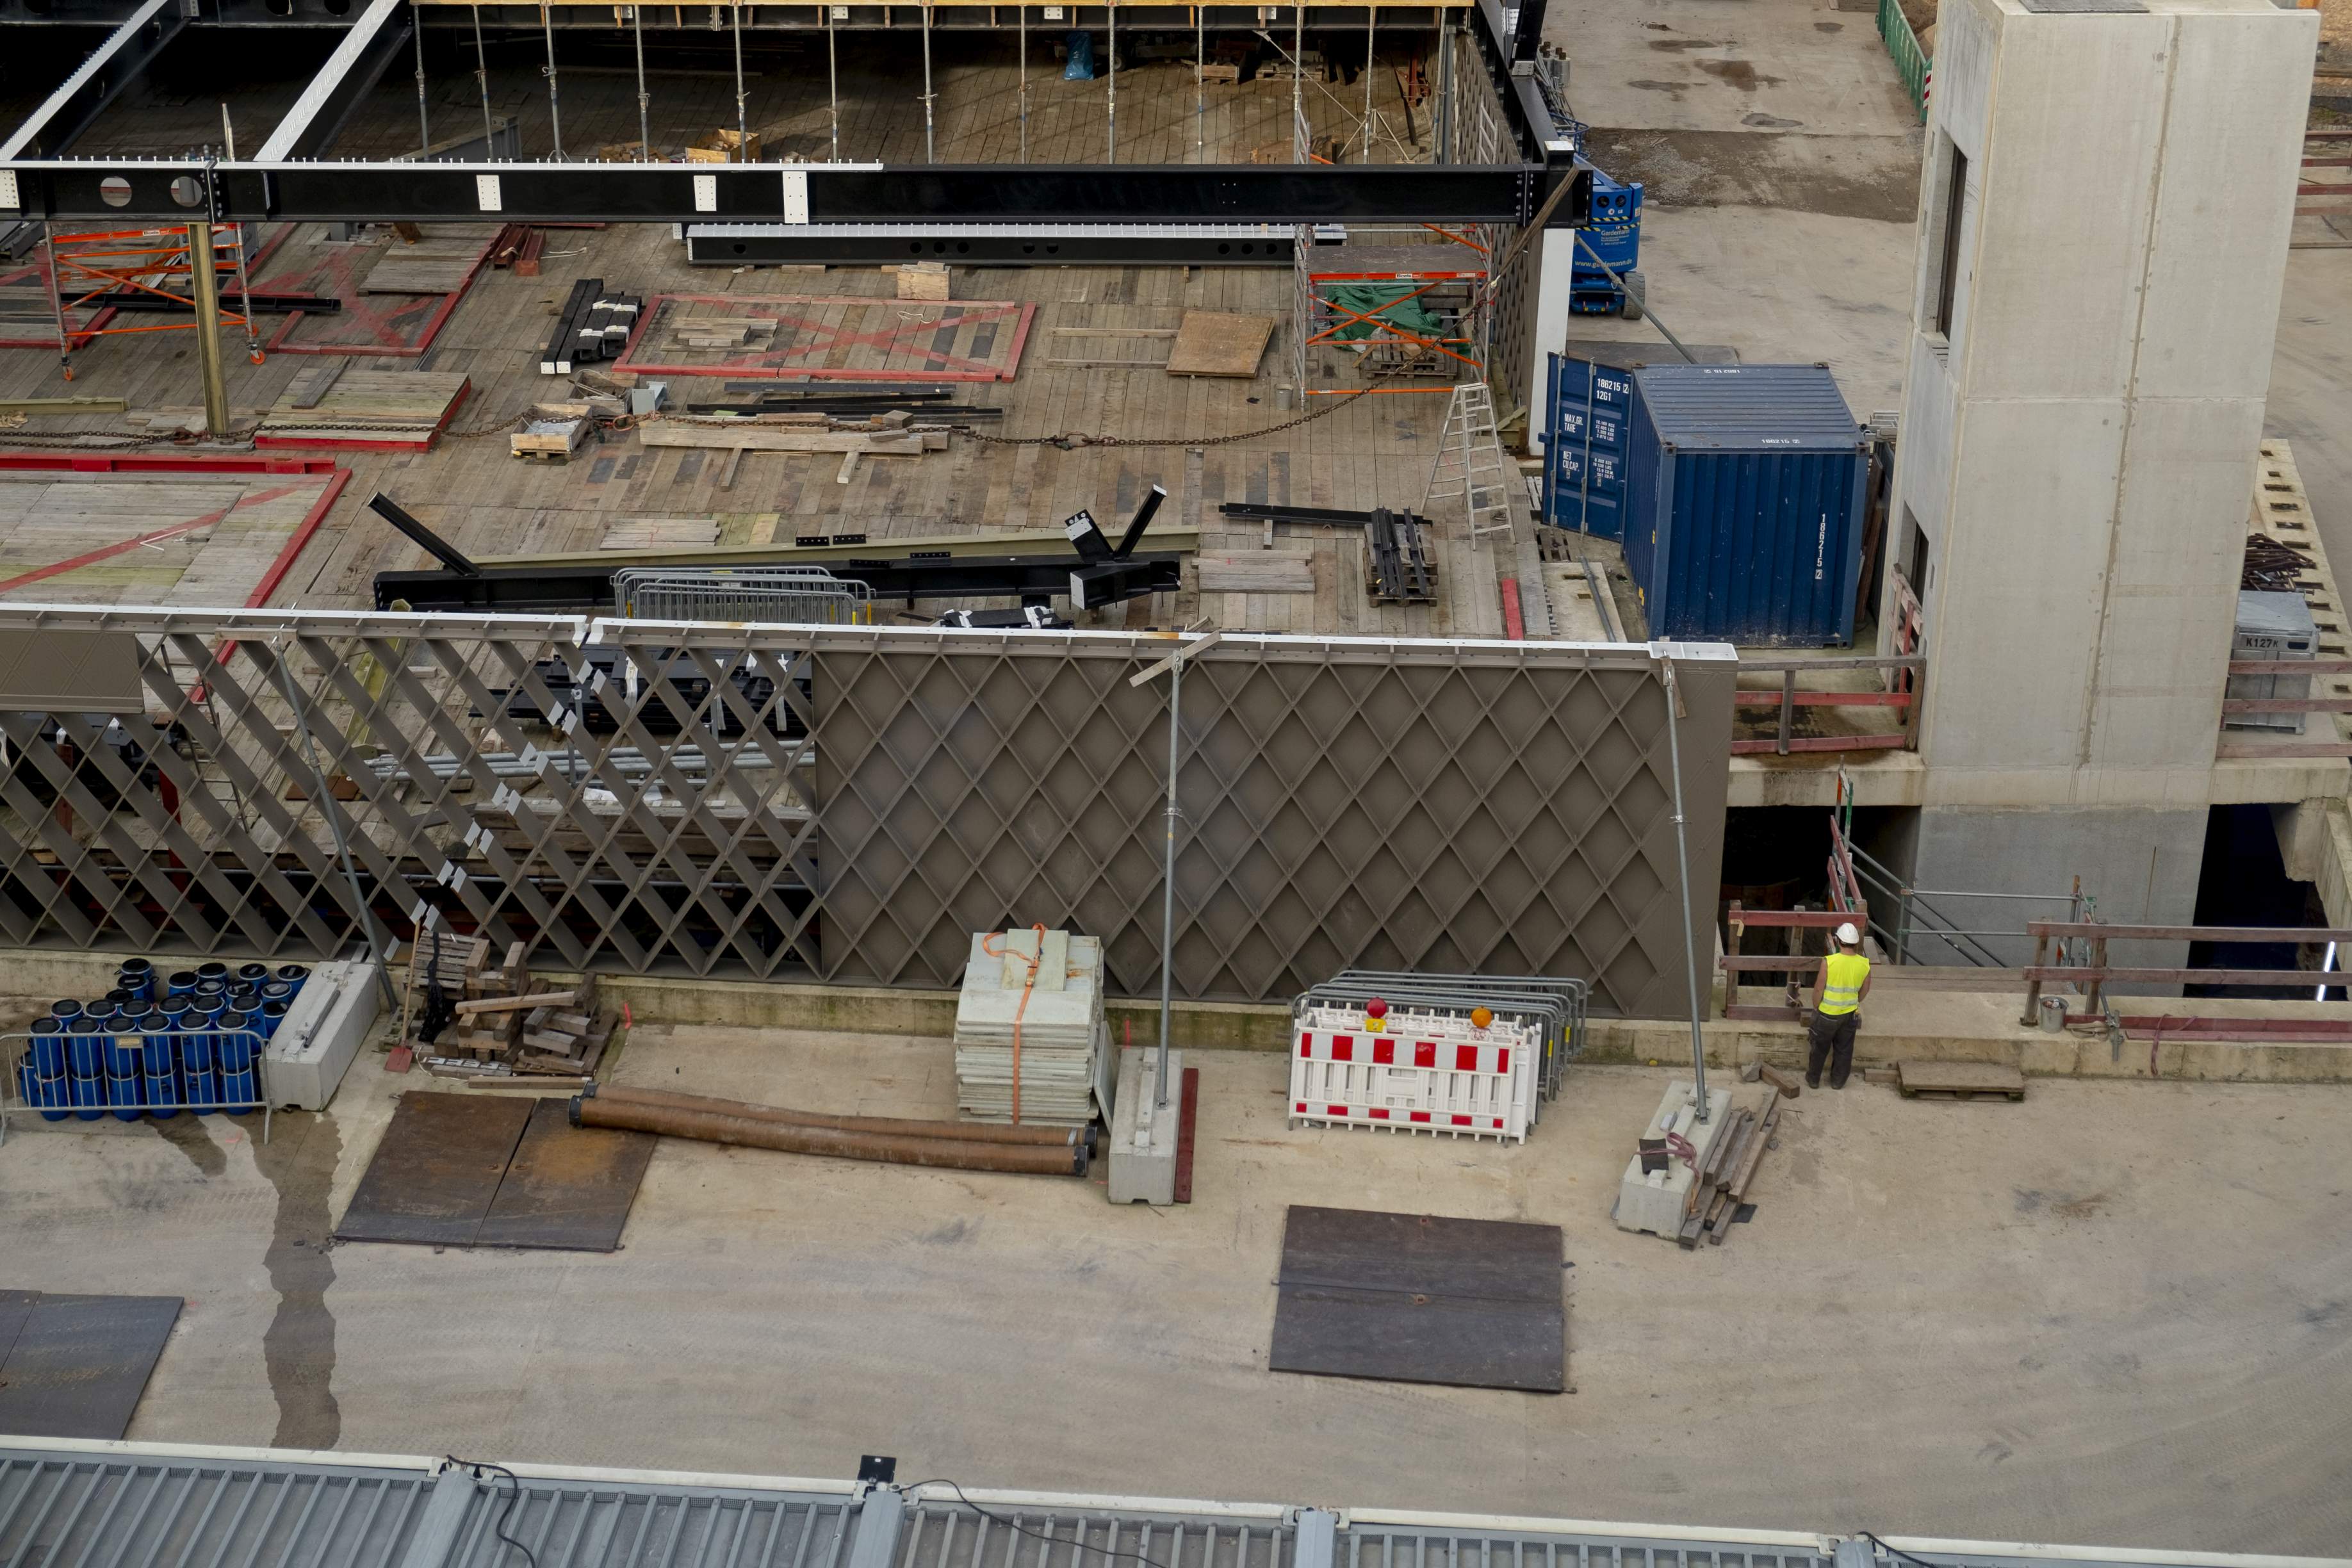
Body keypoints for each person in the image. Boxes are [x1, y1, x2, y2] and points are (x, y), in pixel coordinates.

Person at [1808, 922, 1871, 1090]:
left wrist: (1816, 1006)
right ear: (1856, 943)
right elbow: (1865, 990)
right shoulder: (1864, 964)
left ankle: (1813, 1080)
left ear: (1837, 940)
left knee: (1819, 1048)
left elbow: (1819, 988)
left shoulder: (1829, 962)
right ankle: (1837, 1082)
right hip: (1850, 1015)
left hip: (1827, 1013)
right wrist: (1854, 1002)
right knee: (1844, 1050)